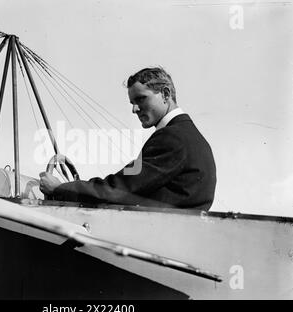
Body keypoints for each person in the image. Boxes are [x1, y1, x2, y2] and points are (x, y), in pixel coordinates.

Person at [39, 67, 216, 211]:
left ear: (166, 94)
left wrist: (61, 189)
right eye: (132, 102)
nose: (134, 109)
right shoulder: (190, 135)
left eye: (141, 99)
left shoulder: (172, 137)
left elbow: (119, 188)